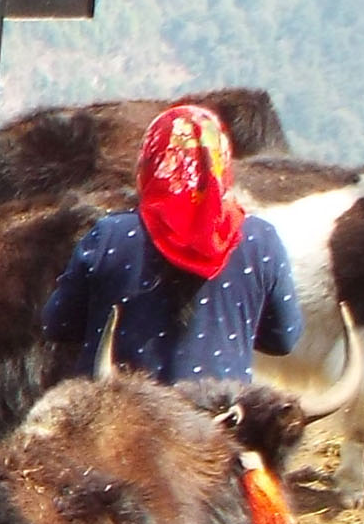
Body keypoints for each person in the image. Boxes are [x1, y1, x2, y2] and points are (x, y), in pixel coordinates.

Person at [41, 102, 304, 386]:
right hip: (219, 420)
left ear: (152, 162)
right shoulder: (260, 241)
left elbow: (58, 324)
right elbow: (284, 337)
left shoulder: (110, 235)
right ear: (221, 163)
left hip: (122, 418)